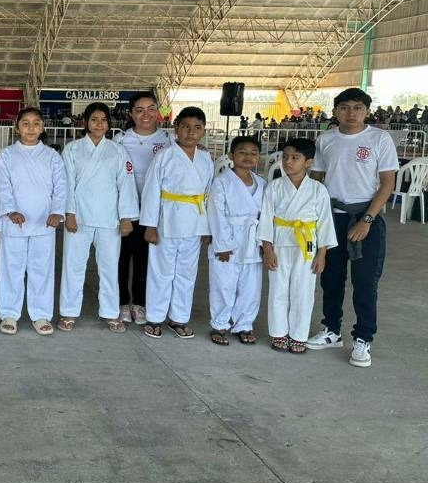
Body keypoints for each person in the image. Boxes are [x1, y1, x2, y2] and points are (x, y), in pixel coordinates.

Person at [307, 88, 398, 368]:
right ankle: (332, 330)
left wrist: (367, 220)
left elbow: (387, 183)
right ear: (335, 111)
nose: (351, 113)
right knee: (331, 277)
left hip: (365, 216)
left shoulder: (379, 139)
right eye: (344, 107)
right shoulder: (326, 140)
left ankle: (363, 339)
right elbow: (317, 179)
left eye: (357, 107)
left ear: (367, 111)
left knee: (365, 281)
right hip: (332, 216)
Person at [58, 102, 139, 333]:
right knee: (73, 267)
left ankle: (111, 313)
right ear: (85, 122)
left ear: (109, 123)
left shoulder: (117, 150)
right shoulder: (72, 149)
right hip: (79, 218)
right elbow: (67, 183)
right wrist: (69, 213)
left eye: (103, 120)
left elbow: (125, 184)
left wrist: (126, 217)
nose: (99, 124)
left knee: (109, 267)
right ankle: (69, 312)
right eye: (94, 119)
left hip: (108, 218)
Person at [140, 106, 213, 339]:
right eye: (185, 127)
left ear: (203, 131)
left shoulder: (205, 158)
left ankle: (179, 318)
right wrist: (150, 226)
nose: (191, 133)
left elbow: (208, 193)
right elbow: (151, 191)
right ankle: (155, 317)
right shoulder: (165, 156)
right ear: (176, 128)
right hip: (167, 220)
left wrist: (207, 227)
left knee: (187, 273)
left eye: (197, 128)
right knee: (161, 271)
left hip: (195, 221)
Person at [259, 138, 337, 353]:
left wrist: (322, 254)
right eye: (285, 157)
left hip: (307, 245)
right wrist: (267, 249)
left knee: (303, 291)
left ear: (308, 162)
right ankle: (279, 333)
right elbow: (265, 218)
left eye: (295, 158)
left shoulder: (318, 189)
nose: (288, 162)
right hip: (279, 242)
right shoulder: (274, 187)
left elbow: (325, 222)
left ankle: (298, 335)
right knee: (278, 289)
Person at [0, 107, 67, 336]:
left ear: (42, 128)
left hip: (44, 222)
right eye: (25, 123)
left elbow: (61, 187)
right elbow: (2, 186)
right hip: (15, 222)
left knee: (41, 270)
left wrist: (57, 212)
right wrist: (10, 210)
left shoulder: (52, 156)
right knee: (11, 269)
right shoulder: (7, 155)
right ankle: (9, 313)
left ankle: (41, 314)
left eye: (36, 123)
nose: (31, 128)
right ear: (17, 128)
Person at [116, 92, 172, 324]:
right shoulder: (120, 140)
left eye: (151, 109)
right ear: (131, 113)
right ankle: (120, 303)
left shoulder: (168, 141)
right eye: (139, 110)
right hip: (125, 211)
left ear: (158, 111)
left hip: (153, 212)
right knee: (120, 258)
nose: (145, 114)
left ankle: (139, 303)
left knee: (144, 258)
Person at [206, 135, 266, 346]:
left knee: (250, 286)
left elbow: (266, 216)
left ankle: (244, 324)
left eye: (253, 153)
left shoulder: (262, 183)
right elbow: (216, 213)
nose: (248, 157)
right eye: (242, 152)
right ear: (232, 155)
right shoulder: (222, 181)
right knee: (223, 284)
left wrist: (264, 243)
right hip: (228, 238)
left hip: (253, 240)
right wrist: (222, 244)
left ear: (259, 157)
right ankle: (220, 323)